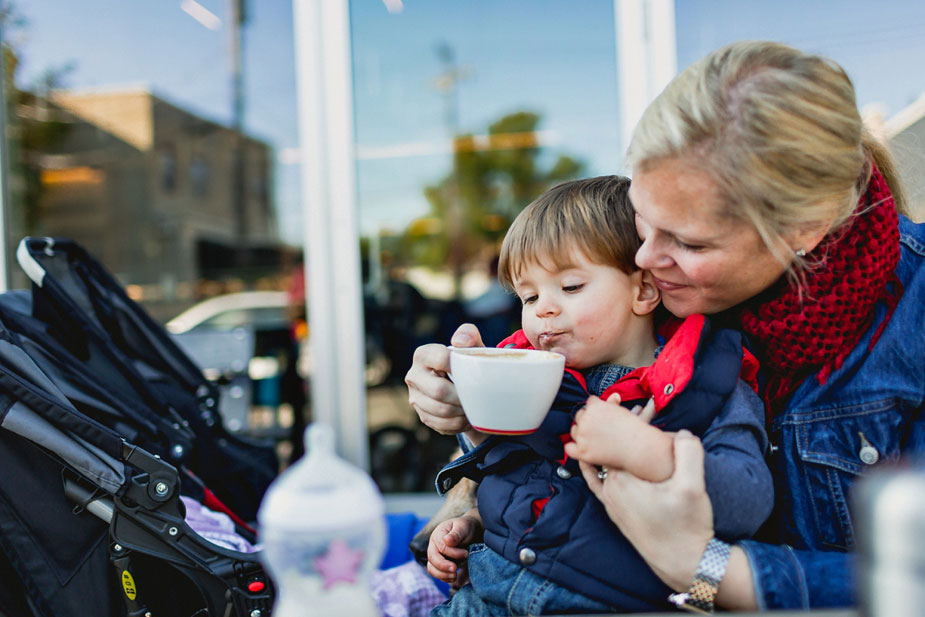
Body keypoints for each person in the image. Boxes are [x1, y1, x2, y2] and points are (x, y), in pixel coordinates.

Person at [406, 40, 925, 612]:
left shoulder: (910, 318)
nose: (646, 260)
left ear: (805, 229)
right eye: (642, 223)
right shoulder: (659, 304)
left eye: (687, 241)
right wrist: (469, 416)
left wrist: (701, 572)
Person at [425, 176, 772, 615]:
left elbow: (749, 504)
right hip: (487, 597)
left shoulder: (698, 383)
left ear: (643, 290)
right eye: (529, 296)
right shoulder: (531, 376)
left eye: (570, 287)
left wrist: (652, 452)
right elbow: (515, 481)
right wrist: (472, 525)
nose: (543, 309)